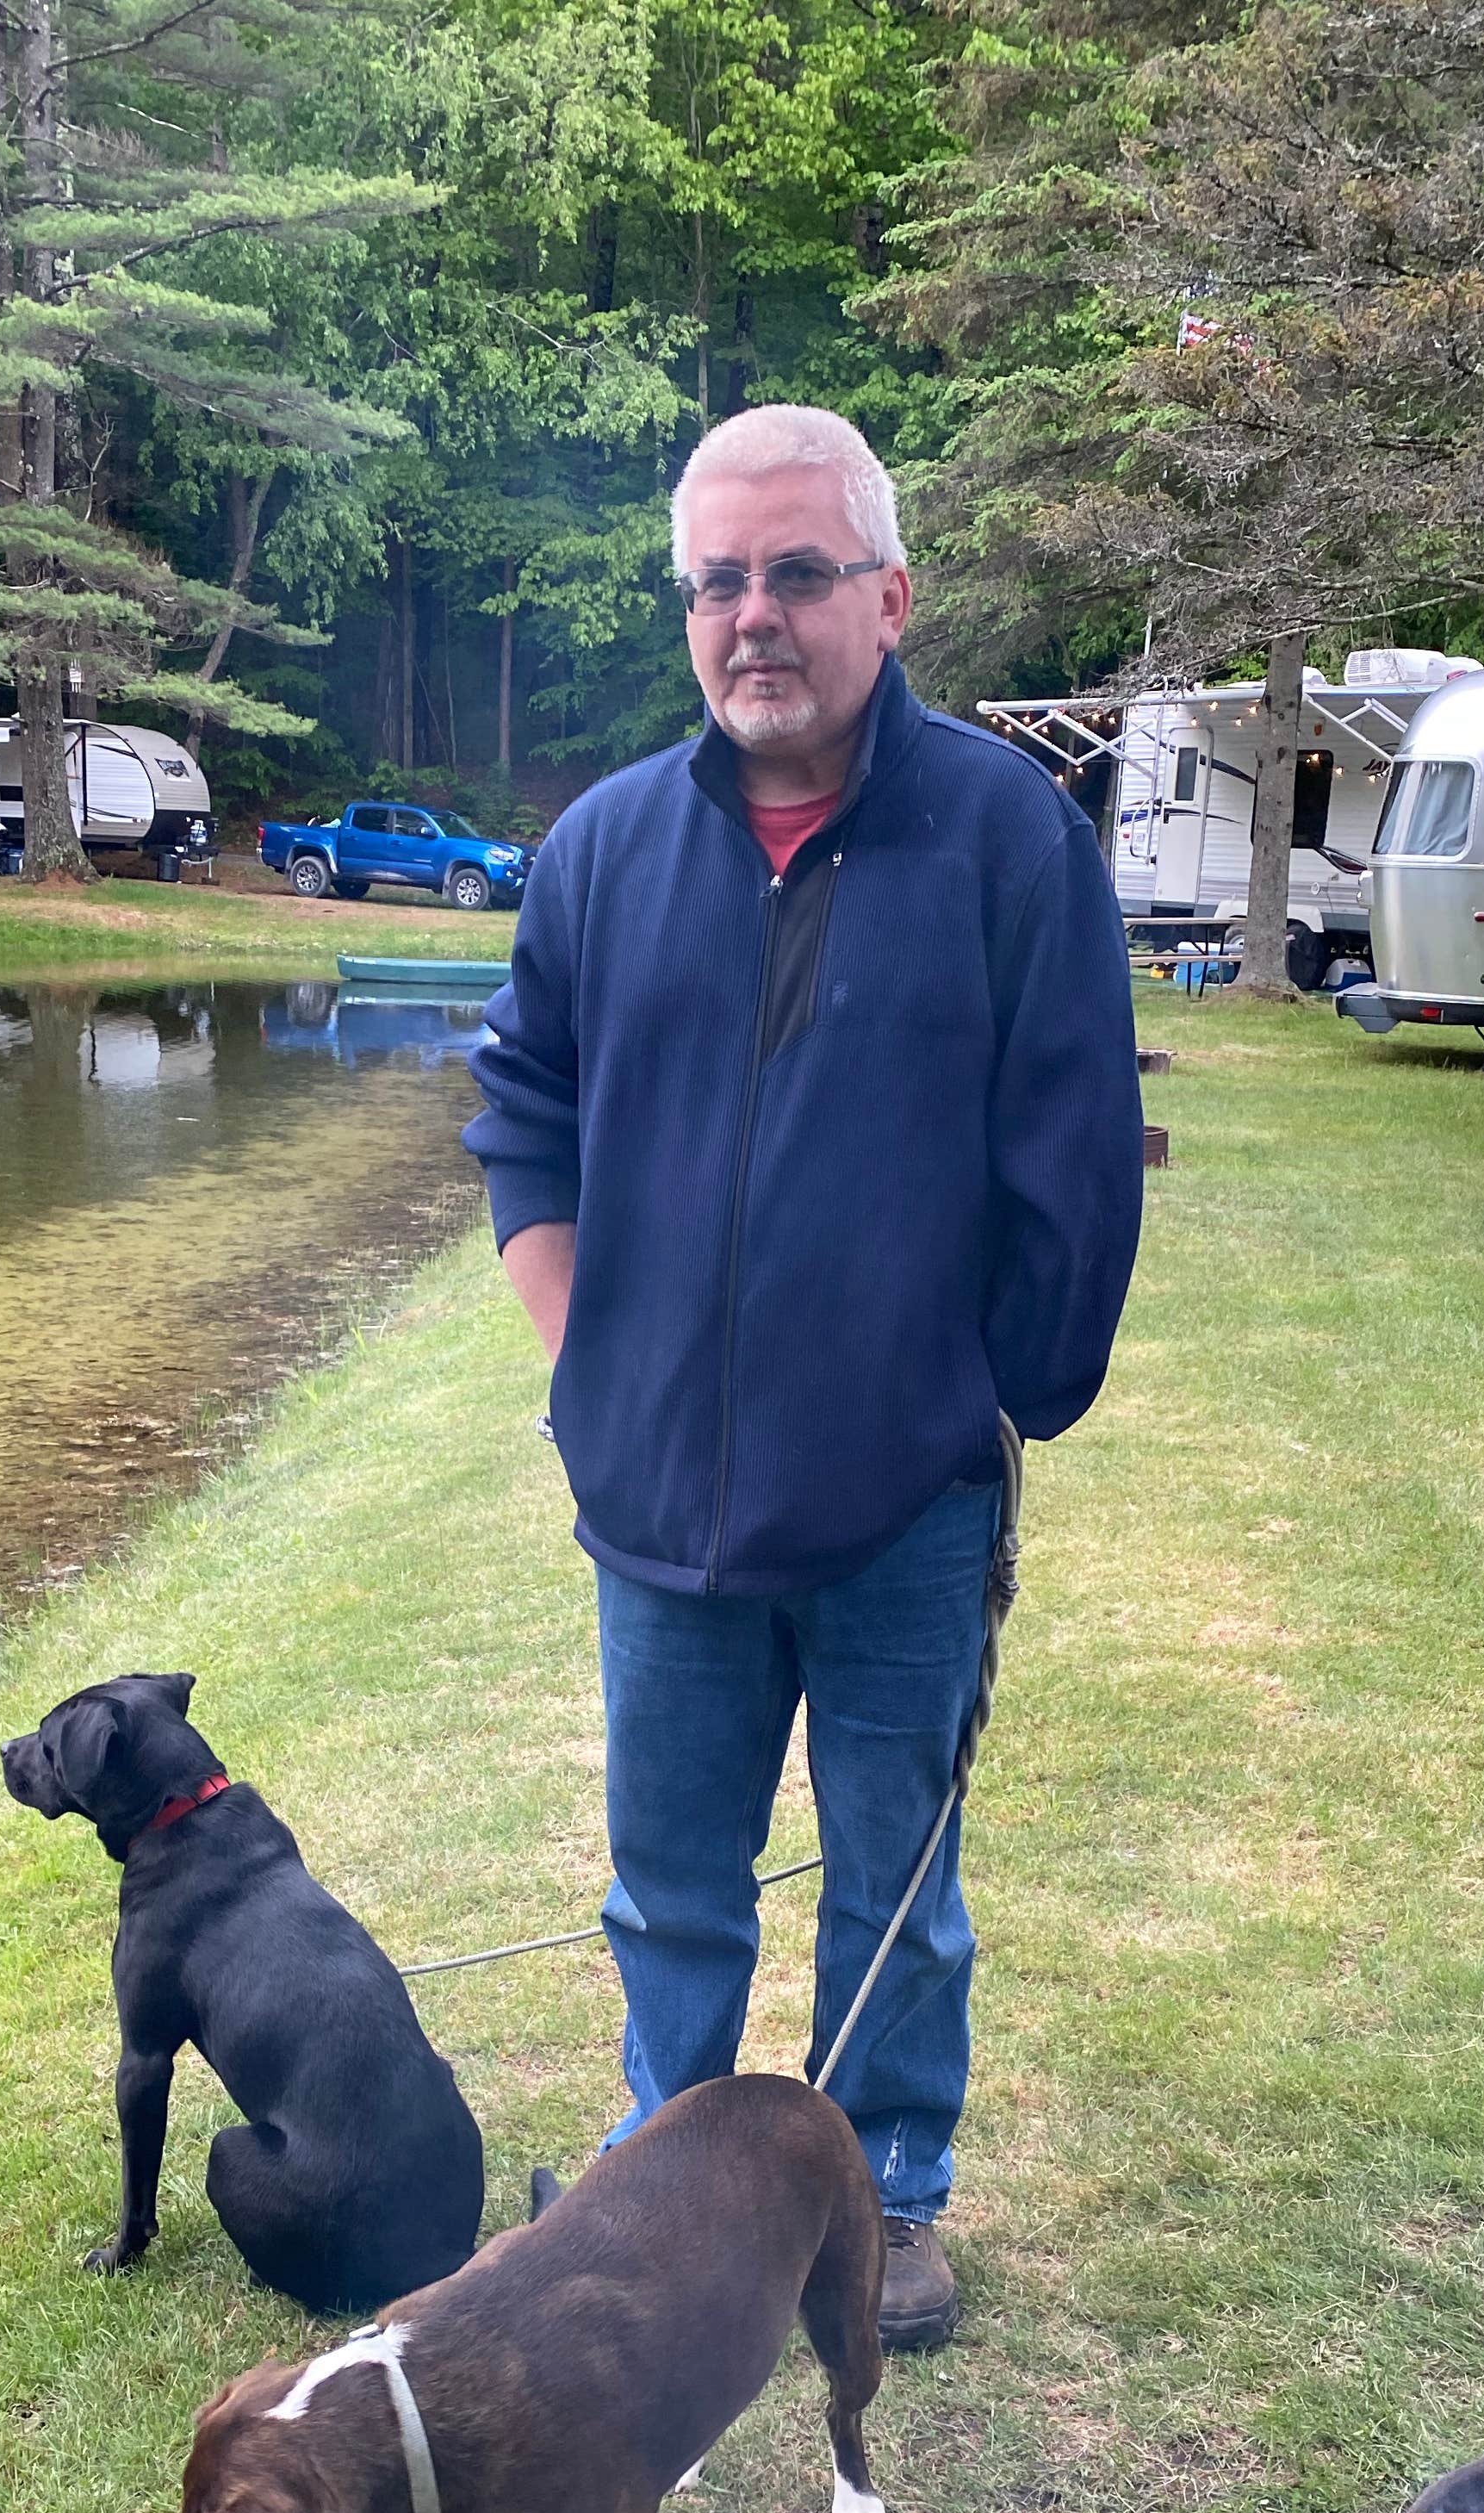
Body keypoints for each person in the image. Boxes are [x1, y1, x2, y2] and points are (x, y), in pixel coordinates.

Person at [463, 405, 1141, 2349]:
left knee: (893, 1890)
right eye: (720, 581)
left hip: (901, 1508)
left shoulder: (1008, 841)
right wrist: (588, 1356)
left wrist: (999, 1397)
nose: (755, 616)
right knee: (672, 1889)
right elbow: (522, 1110)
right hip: (652, 1505)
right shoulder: (603, 849)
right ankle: (663, 2190)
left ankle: (886, 2204)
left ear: (890, 596)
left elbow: (1074, 1153)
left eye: (798, 574)